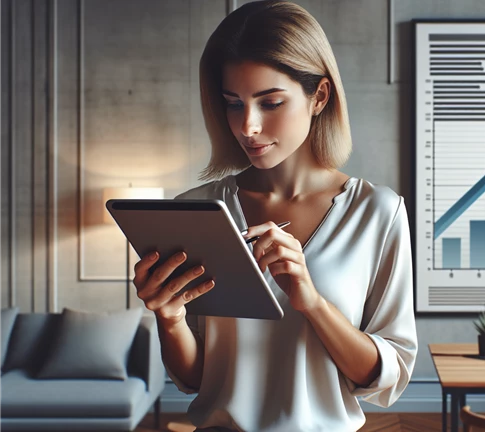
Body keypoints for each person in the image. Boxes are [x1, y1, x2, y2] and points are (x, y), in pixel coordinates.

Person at [130, 1, 418, 431]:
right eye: (233, 103)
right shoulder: (198, 210)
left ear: (319, 96)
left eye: (270, 103)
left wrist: (313, 303)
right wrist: (169, 319)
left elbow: (384, 377)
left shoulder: (378, 212)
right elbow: (193, 380)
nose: (247, 126)